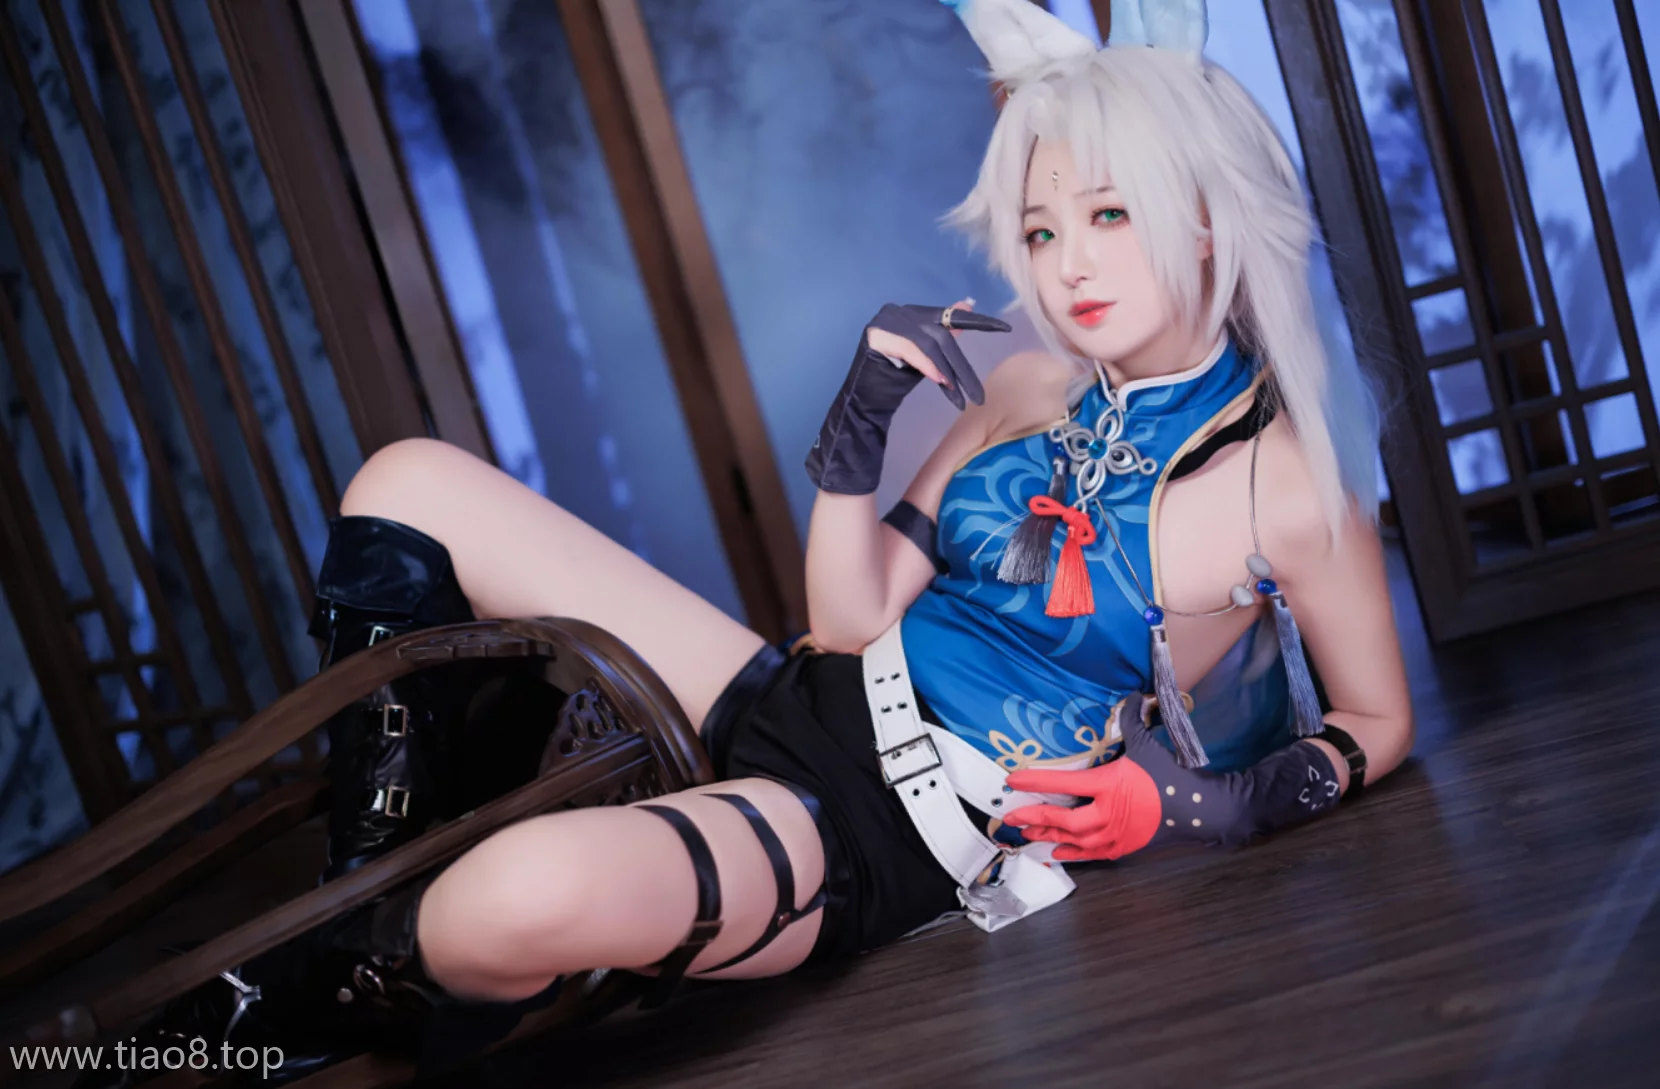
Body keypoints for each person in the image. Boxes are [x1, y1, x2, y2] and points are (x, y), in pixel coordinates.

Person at [79, 0, 1412, 1083]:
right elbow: (847, 620)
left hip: (878, 830)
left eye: (1108, 216)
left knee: (500, 907)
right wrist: (861, 425)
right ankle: (351, 903)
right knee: (410, 478)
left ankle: (344, 966)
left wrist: (1186, 805)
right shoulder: (1023, 384)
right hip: (797, 689)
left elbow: (1376, 721)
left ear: (1204, 214)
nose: (1067, 265)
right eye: (1042, 227)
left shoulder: (1291, 486)